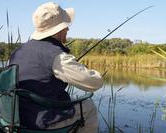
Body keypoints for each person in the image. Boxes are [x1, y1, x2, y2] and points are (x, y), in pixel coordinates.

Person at [9, 2, 103, 132]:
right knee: (88, 106)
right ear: (59, 29)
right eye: (66, 26)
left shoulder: (17, 52)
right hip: (43, 121)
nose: (68, 29)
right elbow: (94, 83)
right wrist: (86, 70)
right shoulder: (57, 57)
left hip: (18, 119)